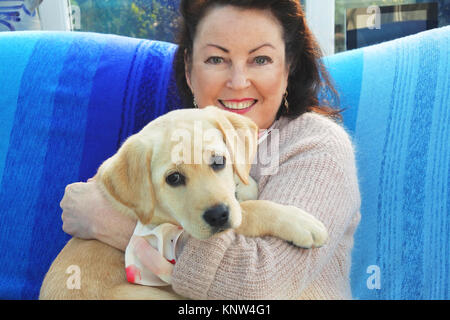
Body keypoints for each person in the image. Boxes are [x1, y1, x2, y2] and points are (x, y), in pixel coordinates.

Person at [61, 0, 361, 299]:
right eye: (217, 59)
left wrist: (116, 225)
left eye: (260, 59)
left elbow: (260, 287)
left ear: (289, 66)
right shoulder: (160, 144)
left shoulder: (317, 146)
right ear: (189, 71)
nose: (239, 82)